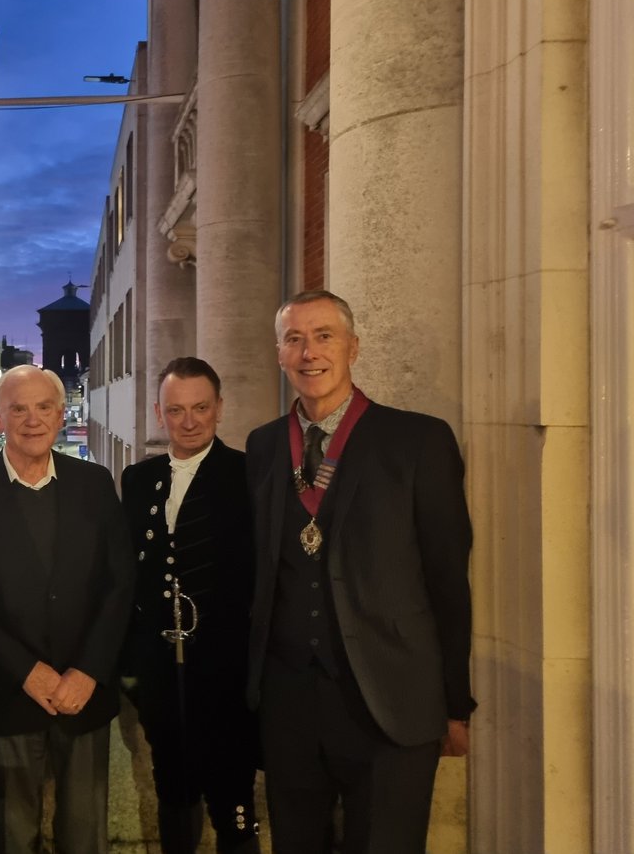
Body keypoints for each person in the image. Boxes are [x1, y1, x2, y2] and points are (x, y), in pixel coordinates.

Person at [244, 290, 474, 854]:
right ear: (279, 354)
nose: (309, 352)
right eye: (294, 339)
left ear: (353, 347)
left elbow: (448, 579)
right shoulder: (263, 445)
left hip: (392, 703)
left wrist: (455, 703)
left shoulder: (419, 440)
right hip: (290, 705)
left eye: (324, 336)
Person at [0, 364, 134, 854]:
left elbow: (120, 584)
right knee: (9, 837)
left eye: (44, 407)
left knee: (85, 838)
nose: (32, 419)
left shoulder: (94, 482)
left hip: (84, 694)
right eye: (18, 409)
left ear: (61, 412)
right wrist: (29, 672)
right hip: (5, 694)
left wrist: (88, 671)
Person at [121, 357, 259, 854]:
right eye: (176, 410)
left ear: (219, 408)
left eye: (201, 407)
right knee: (172, 787)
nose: (189, 420)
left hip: (227, 671)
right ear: (160, 413)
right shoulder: (138, 479)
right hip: (160, 673)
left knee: (232, 794)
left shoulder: (249, 476)